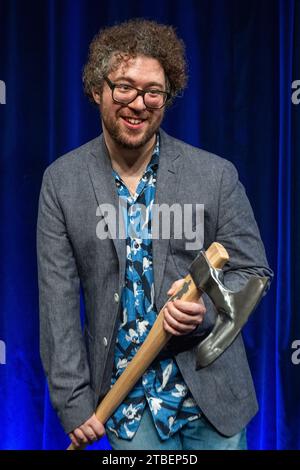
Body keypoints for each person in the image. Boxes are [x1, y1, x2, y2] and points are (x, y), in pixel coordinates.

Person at [37, 19, 273, 450]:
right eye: (124, 87)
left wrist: (204, 313)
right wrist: (73, 403)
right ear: (97, 89)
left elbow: (253, 272)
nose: (138, 103)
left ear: (167, 98)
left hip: (213, 402)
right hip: (126, 410)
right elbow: (58, 304)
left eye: (153, 92)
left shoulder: (215, 175)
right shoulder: (62, 182)